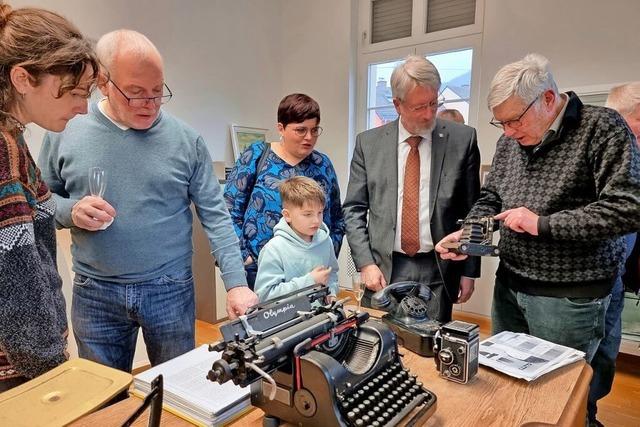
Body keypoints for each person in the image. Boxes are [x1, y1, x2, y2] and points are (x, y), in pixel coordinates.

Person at [436, 54, 640, 427]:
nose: (509, 131)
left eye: (515, 119)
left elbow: (627, 208)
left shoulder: (603, 128)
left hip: (570, 297)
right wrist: (468, 233)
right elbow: (492, 198)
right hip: (511, 287)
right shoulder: (509, 142)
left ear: (548, 99)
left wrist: (542, 224)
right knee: (507, 387)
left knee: (562, 400)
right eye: (503, 121)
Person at [37, 29, 257, 373]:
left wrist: (237, 284)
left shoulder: (187, 141)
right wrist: (70, 210)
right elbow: (41, 205)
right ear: (104, 82)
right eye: (136, 94)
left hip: (170, 288)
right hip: (94, 291)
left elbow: (217, 216)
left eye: (158, 92)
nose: (149, 104)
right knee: (104, 399)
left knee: (179, 390)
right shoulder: (65, 131)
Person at [0, 3, 98, 391]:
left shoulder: (16, 140)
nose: (83, 106)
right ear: (22, 78)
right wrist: (50, 366)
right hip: (18, 368)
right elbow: (15, 272)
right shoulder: (4, 150)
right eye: (73, 92)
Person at [343, 55, 481, 322]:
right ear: (397, 104)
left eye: (433, 102)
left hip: (439, 269)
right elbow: (353, 210)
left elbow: (473, 210)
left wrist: (469, 270)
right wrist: (365, 263)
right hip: (383, 269)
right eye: (419, 107)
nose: (429, 114)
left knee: (432, 351)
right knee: (382, 348)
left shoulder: (462, 139)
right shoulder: (368, 145)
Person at [224, 93, 345, 290]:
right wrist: (243, 256)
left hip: (313, 273)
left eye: (314, 130)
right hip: (258, 271)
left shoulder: (323, 165)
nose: (309, 137)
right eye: (301, 130)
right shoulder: (256, 156)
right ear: (280, 128)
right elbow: (229, 209)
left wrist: (327, 251)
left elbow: (337, 218)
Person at [254, 176, 338, 302]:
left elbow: (331, 274)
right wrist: (310, 282)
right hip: (288, 319)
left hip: (321, 316)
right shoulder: (273, 249)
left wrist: (331, 293)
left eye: (320, 213)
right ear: (287, 215)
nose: (316, 220)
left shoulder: (325, 241)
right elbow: (265, 296)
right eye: (307, 214)